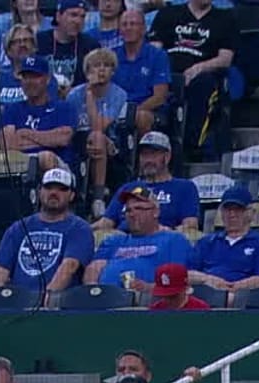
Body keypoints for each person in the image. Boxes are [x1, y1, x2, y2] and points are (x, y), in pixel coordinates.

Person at [0, 167, 95, 296]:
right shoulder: (19, 227)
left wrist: (46, 298)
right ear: (39, 192)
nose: (54, 192)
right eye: (48, 187)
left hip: (58, 305)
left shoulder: (79, 228)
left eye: (62, 189)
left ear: (71, 195)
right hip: (16, 302)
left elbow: (69, 267)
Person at [149, 0, 234, 158]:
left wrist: (198, 68)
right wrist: (164, 74)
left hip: (204, 76)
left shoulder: (224, 18)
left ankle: (193, 146)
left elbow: (225, 59)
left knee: (203, 85)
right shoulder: (168, 14)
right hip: (167, 75)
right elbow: (153, 52)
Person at [82, 186, 191, 292]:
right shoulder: (114, 241)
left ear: (156, 212)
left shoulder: (173, 240)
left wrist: (148, 288)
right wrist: (94, 293)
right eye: (128, 210)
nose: (132, 214)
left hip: (148, 303)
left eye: (139, 208)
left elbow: (177, 282)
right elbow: (93, 269)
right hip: (107, 300)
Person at [92, 131, 200, 232]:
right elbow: (105, 223)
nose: (148, 160)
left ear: (167, 157)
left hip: (162, 243)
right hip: (124, 242)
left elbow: (191, 225)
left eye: (153, 154)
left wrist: (164, 232)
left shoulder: (184, 187)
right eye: (144, 154)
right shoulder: (127, 188)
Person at [188, 186, 259, 295]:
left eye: (238, 209)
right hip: (205, 290)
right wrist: (208, 279)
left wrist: (232, 288)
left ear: (250, 212)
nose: (232, 214)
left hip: (243, 296)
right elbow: (188, 274)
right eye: (227, 210)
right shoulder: (206, 242)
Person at [67, 49, 127, 211]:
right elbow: (69, 126)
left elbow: (99, 126)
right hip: (78, 139)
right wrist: (87, 91)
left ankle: (98, 199)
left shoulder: (118, 94)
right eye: (96, 66)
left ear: (113, 71)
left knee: (98, 137)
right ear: (87, 71)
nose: (101, 69)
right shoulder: (74, 95)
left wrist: (90, 96)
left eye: (106, 66)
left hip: (108, 139)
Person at [0, 54, 74, 170]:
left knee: (46, 157)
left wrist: (25, 134)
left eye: (35, 76)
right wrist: (48, 139)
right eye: (26, 77)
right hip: (20, 165)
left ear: (48, 79)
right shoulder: (12, 109)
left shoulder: (62, 107)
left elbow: (63, 139)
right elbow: (8, 146)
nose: (29, 82)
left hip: (59, 169)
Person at [113, 9, 170, 139]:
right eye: (124, 24)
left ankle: (140, 157)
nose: (128, 28)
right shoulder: (112, 56)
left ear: (144, 29)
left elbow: (160, 97)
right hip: (116, 110)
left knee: (141, 117)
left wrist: (131, 113)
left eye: (133, 24)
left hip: (148, 111)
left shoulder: (157, 56)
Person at [37, 0, 93, 87]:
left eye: (82, 16)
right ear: (58, 16)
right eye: (73, 15)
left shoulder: (90, 45)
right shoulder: (39, 41)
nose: (78, 21)